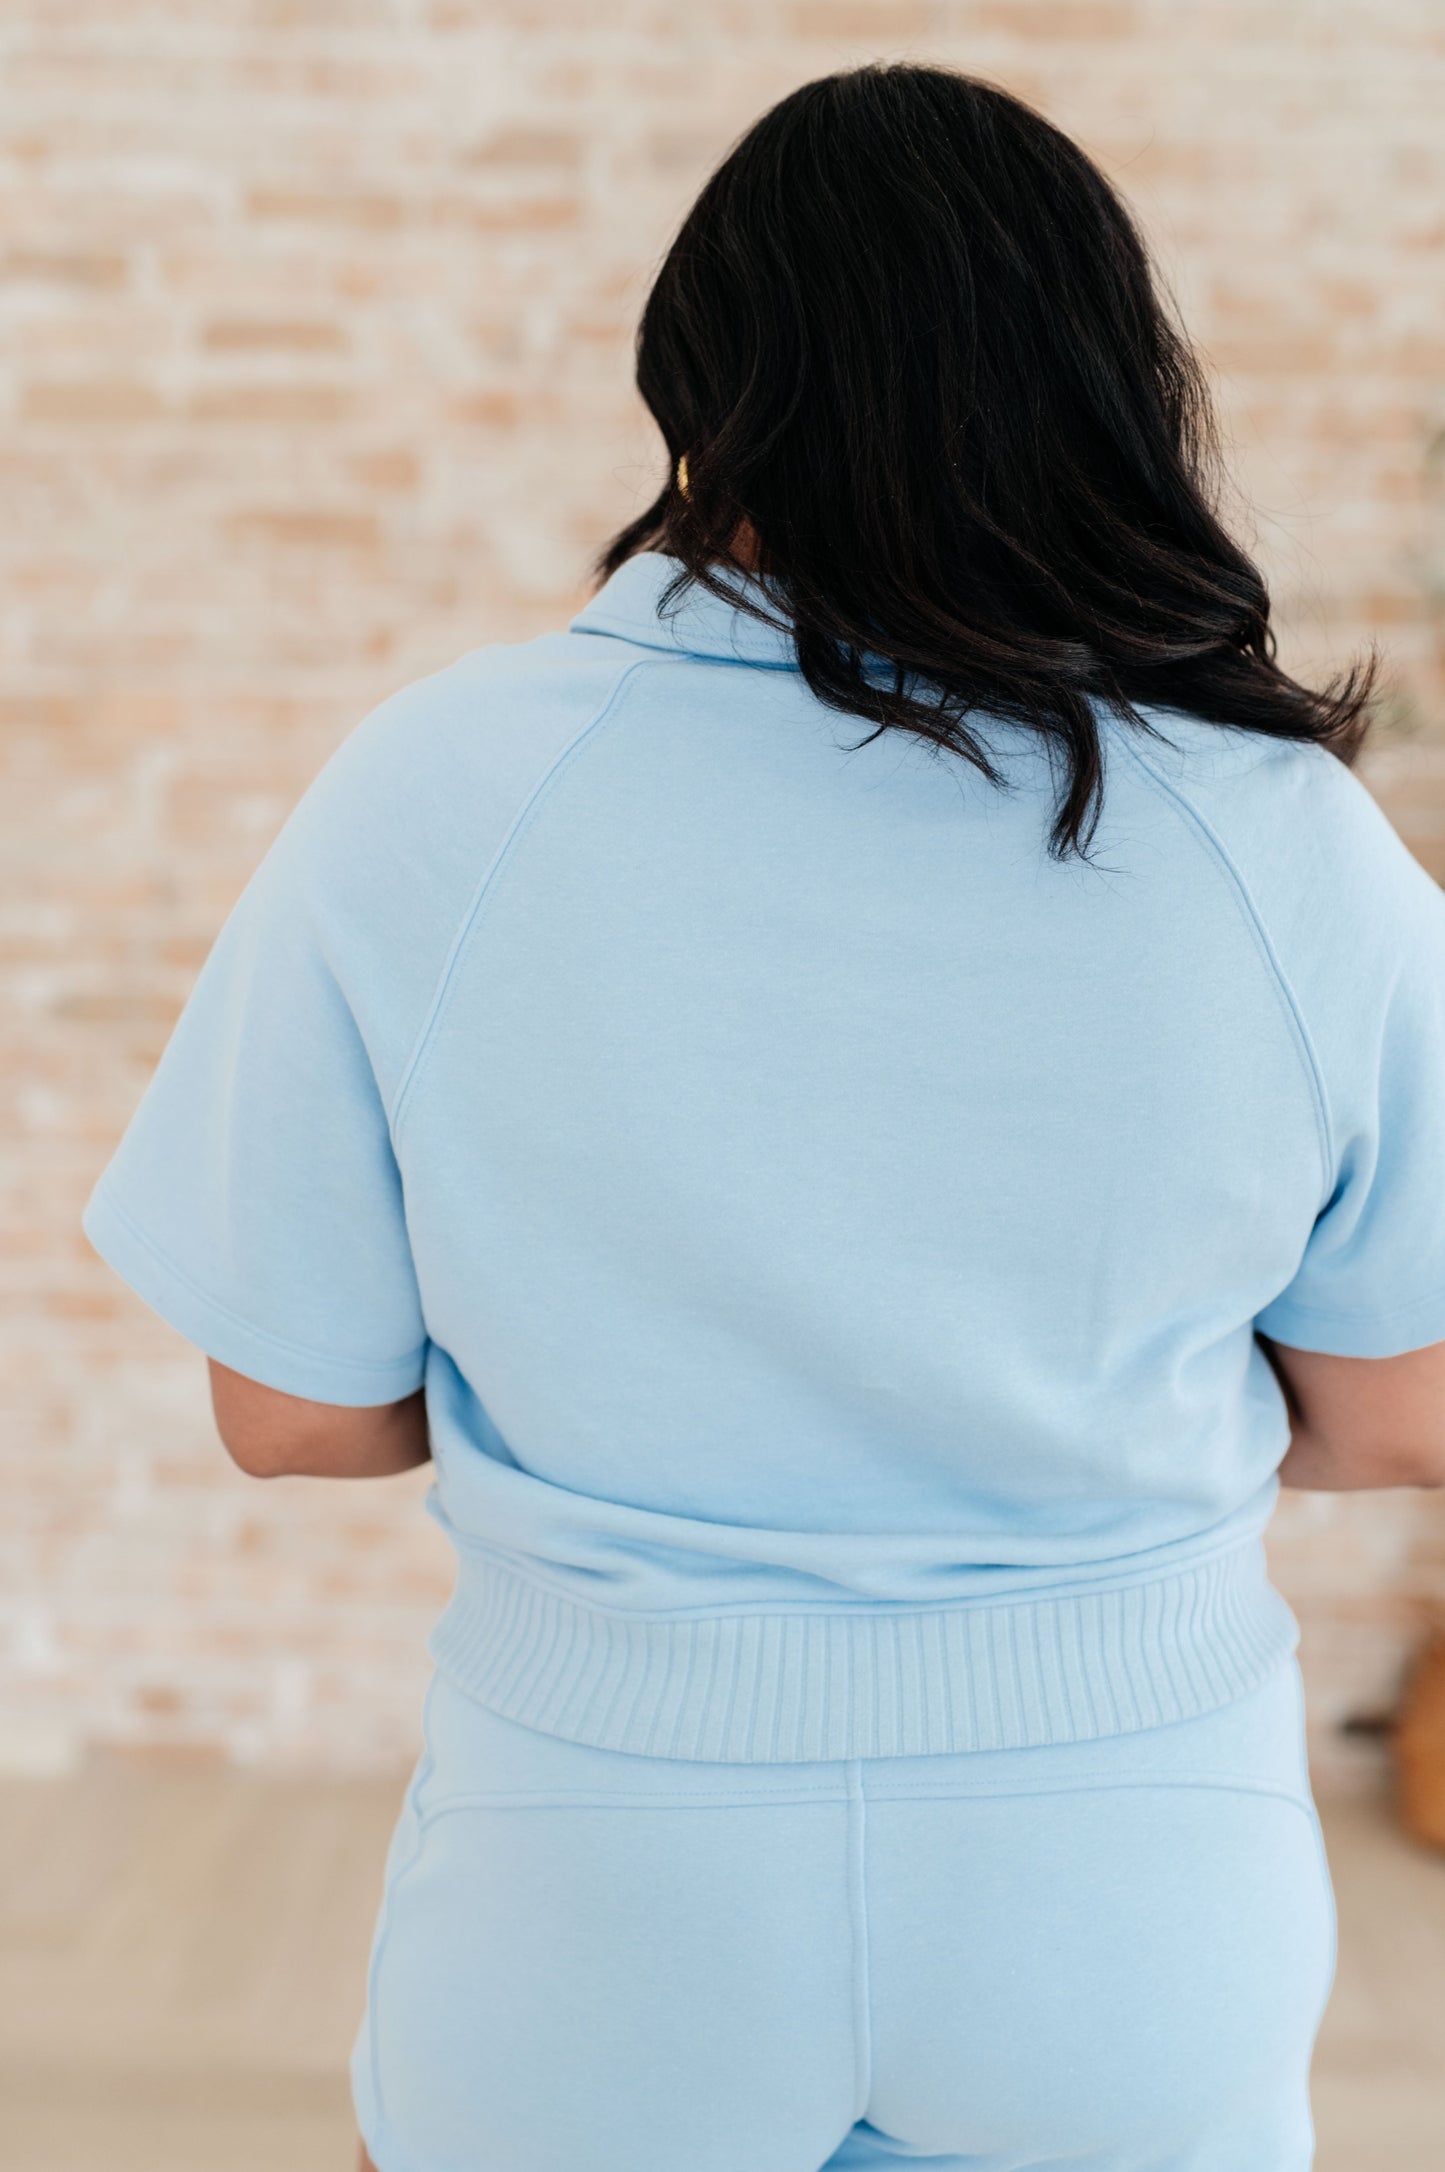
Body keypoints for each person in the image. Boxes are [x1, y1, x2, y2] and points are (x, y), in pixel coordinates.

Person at [84, 61, 1445, 2172]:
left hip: (601, 1867)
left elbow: (290, 1412)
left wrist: (644, 1378)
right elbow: (1398, 1416)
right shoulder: (1282, 841)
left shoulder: (438, 791)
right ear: (1106, 385)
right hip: (1125, 1879)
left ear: (701, 390)